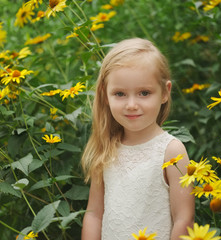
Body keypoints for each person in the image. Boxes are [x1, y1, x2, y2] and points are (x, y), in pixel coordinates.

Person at [81, 38, 195, 240]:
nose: (131, 104)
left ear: (164, 93)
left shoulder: (171, 151)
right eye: (120, 94)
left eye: (144, 93)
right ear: (105, 96)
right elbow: (94, 215)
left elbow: (183, 218)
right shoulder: (106, 149)